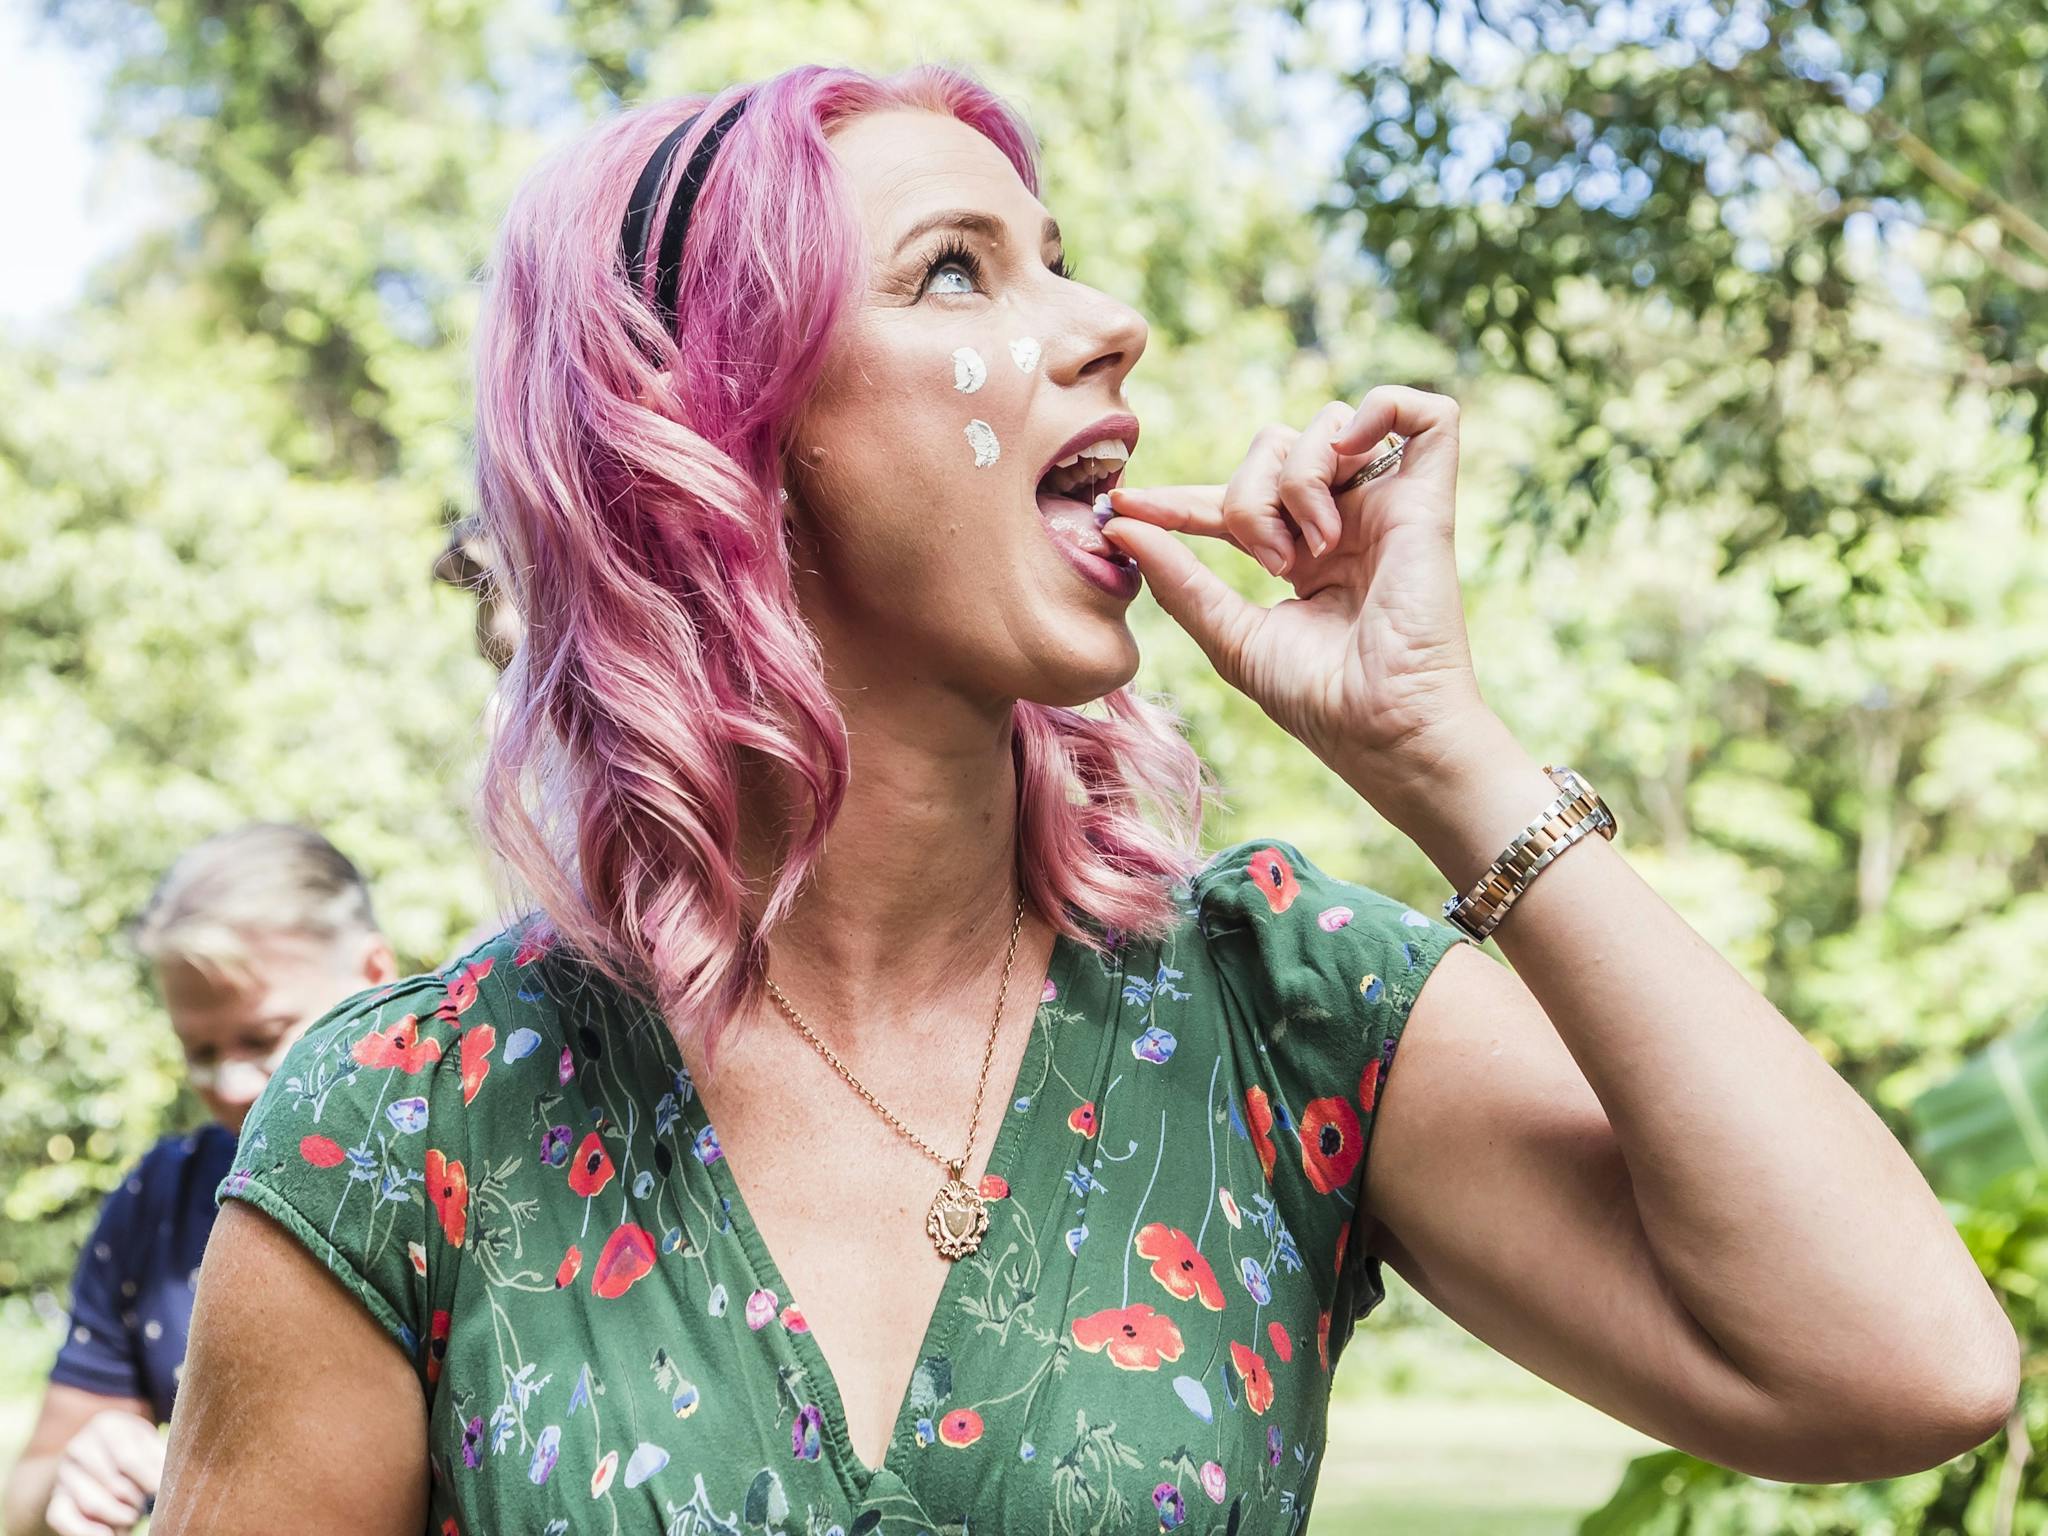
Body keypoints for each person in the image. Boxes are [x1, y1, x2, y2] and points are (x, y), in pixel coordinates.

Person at [156, 62, 2018, 1536]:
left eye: (1057, 255)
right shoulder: (408, 1119)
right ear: (722, 449)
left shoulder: (1279, 1011)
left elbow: (1900, 1368)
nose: (1111, 320)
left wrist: (1439, 751)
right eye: (955, 271)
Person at [3, 823, 397, 1536]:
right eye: (200, 1051)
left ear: (376, 976)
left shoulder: (479, 1166)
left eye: (263, 1038)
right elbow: (23, 1496)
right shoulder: (160, 1197)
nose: (232, 1084)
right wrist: (73, 1477)